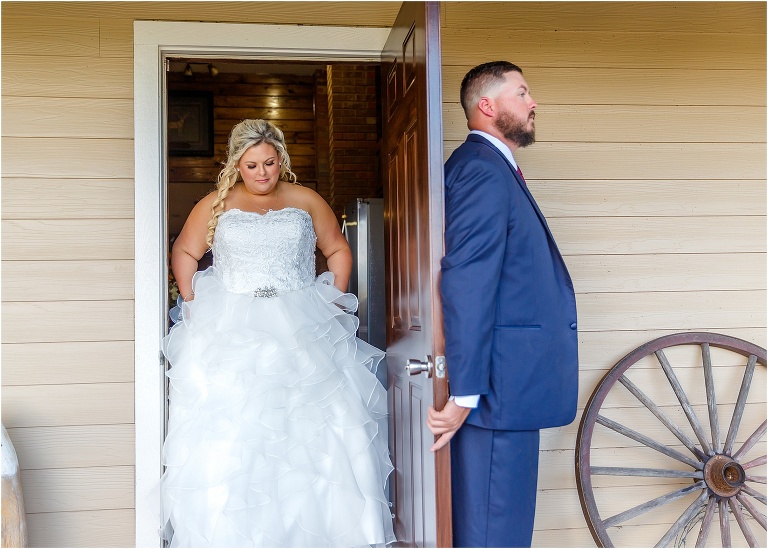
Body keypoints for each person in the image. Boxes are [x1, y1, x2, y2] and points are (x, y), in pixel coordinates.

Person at [159, 119, 395, 547]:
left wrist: (332, 299)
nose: (262, 173)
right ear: (237, 165)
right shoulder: (217, 203)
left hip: (302, 325)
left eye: (269, 162)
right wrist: (193, 307)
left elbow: (338, 249)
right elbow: (185, 251)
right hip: (232, 328)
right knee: (237, 431)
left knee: (318, 425)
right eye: (251, 165)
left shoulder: (305, 199)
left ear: (281, 159)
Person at [427, 61, 579, 547]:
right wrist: (465, 393)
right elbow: (468, 280)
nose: (533, 103)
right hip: (495, 394)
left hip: (509, 391)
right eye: (522, 93)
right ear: (488, 106)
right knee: (495, 534)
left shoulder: (493, 168)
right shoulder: (480, 171)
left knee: (503, 530)